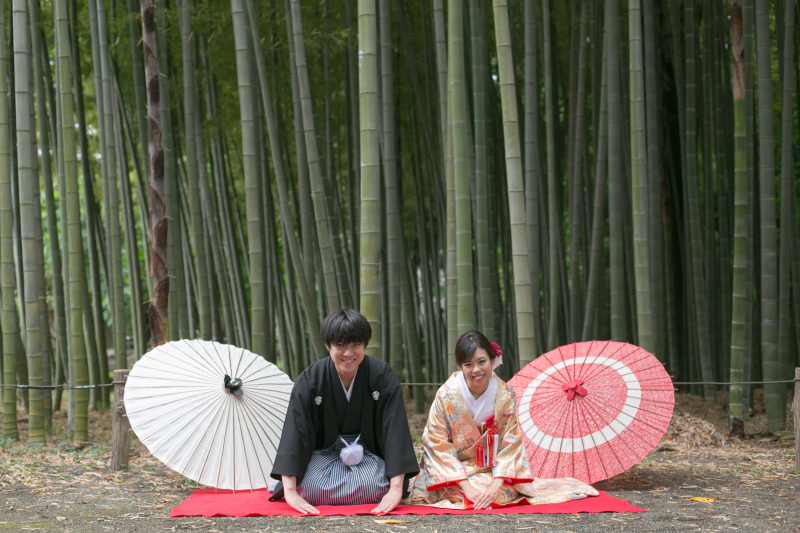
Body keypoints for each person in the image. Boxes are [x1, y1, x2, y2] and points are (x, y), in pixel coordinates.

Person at [406, 331, 598, 509]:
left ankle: (482, 493)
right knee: (452, 489)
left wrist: (496, 485)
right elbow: (436, 444)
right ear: (460, 366)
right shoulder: (446, 395)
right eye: (468, 365)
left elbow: (511, 443)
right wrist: (467, 487)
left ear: (492, 360)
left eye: (482, 362)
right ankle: (470, 493)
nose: (476, 370)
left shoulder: (505, 395)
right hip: (454, 471)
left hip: (491, 469)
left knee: (500, 492)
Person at [270, 309, 419, 515]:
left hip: (367, 452)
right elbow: (295, 432)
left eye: (355, 345)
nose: (348, 354)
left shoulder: (382, 375)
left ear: (365, 343)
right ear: (327, 345)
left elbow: (395, 429)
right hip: (323, 453)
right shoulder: (311, 378)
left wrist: (395, 488)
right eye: (340, 345)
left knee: (380, 485)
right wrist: (290, 490)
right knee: (308, 488)